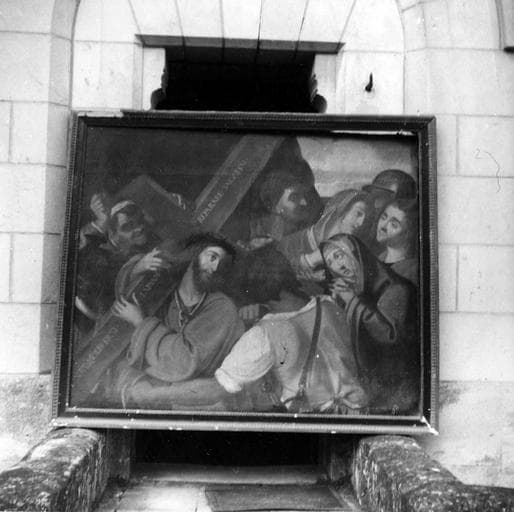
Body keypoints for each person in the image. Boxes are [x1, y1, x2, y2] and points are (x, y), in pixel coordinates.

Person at [122, 247, 369, 414]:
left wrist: (151, 395)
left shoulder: (264, 334)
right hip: (358, 412)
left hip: (313, 424)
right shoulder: (330, 305)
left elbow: (214, 390)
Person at [110, 233, 245, 406]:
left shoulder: (222, 308)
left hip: (191, 403)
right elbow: (117, 305)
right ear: (194, 254)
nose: (215, 267)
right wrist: (136, 269)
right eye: (212, 257)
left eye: (222, 264)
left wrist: (140, 323)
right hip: (149, 391)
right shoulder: (164, 294)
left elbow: (185, 362)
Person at [321, 233, 419, 414]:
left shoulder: (395, 288)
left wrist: (352, 301)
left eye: (339, 255)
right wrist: (338, 304)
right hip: (367, 387)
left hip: (395, 387)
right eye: (330, 262)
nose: (337, 266)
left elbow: (390, 336)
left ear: (355, 254)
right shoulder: (351, 290)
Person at [75, 199, 164, 335]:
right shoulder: (98, 256)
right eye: (128, 227)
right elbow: (109, 302)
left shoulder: (148, 240)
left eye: (140, 221)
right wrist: (136, 269)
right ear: (113, 233)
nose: (139, 228)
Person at [275, 189, 371, 281]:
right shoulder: (290, 243)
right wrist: (311, 259)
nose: (361, 223)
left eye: (366, 219)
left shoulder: (351, 253)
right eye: (358, 213)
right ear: (341, 211)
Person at [375, 198, 418, 286]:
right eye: (383, 217)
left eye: (393, 225)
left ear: (408, 234)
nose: (383, 226)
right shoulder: (381, 258)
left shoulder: (411, 271)